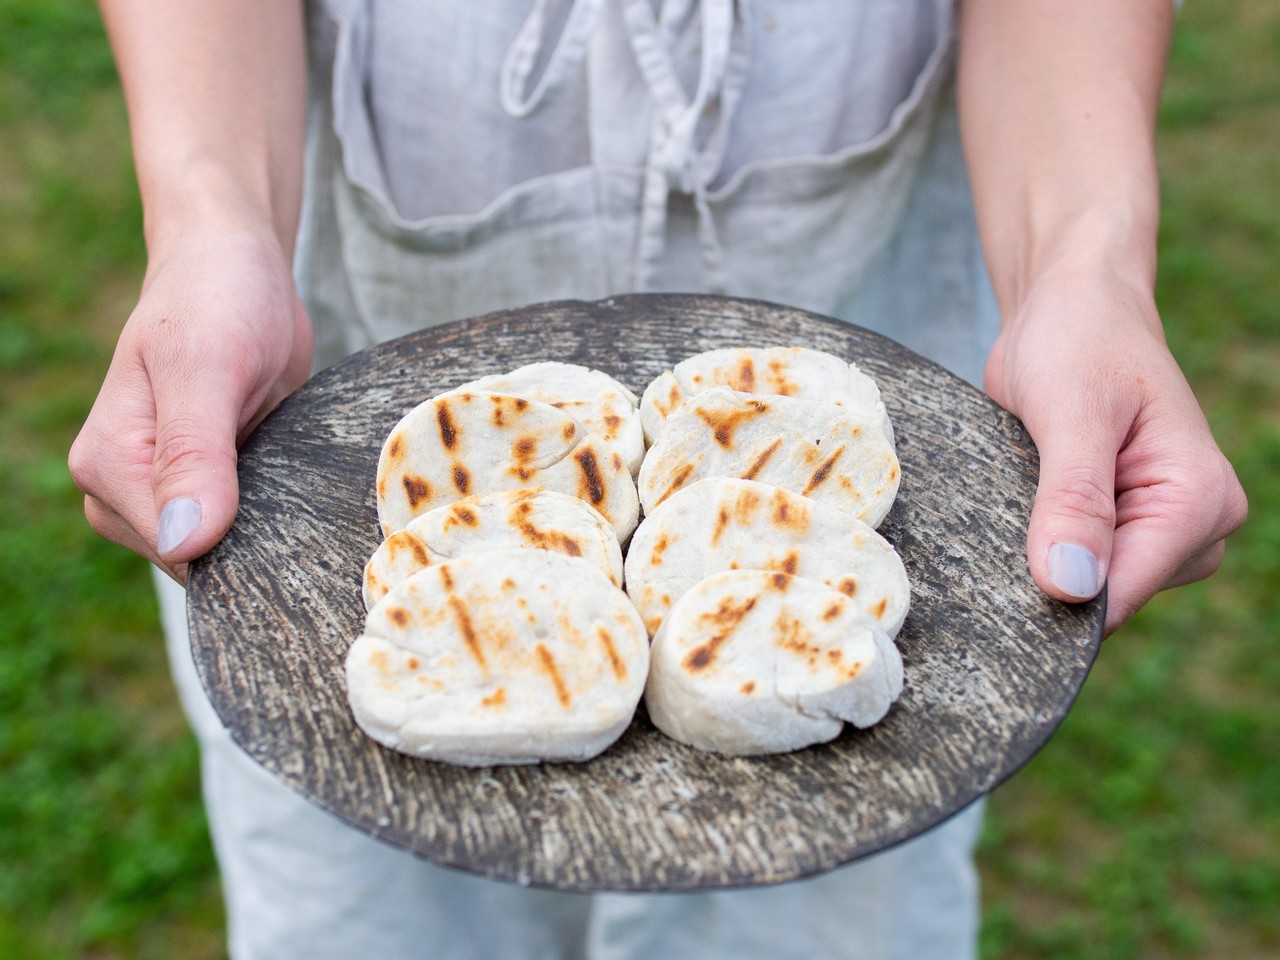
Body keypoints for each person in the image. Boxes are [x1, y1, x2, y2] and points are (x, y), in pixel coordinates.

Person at [69, 1, 1246, 958]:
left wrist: (1082, 267)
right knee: (372, 920)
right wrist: (209, 223)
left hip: (851, 348)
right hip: (356, 402)